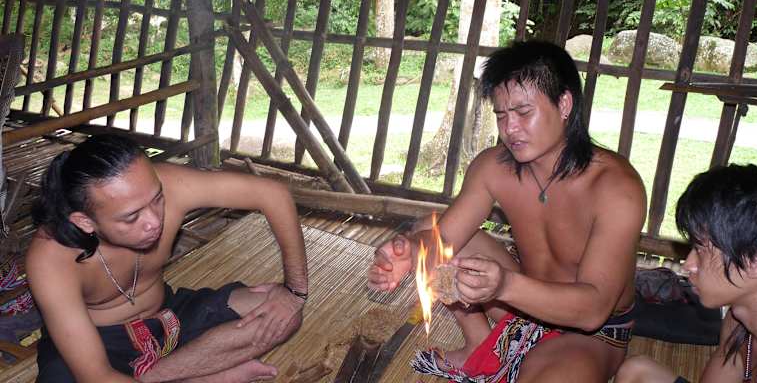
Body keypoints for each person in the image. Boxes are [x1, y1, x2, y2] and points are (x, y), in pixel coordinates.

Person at [368, 40, 647, 382]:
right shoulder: (493, 167)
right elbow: (444, 240)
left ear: (564, 104)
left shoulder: (617, 189)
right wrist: (410, 251)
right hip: (522, 305)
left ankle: (516, 353)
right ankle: (479, 343)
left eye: (523, 113)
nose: (509, 128)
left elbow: (592, 310)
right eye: (501, 115)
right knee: (431, 229)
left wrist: (504, 286)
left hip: (590, 333)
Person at [26, 134, 308, 382]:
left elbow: (273, 193)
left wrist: (295, 292)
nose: (154, 221)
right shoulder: (50, 259)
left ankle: (157, 375)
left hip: (170, 316)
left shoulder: (171, 183)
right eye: (132, 217)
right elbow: (96, 376)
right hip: (98, 343)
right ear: (85, 222)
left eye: (157, 199)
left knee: (282, 315)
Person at [616, 164, 757, 383]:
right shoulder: (739, 319)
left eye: (700, 250)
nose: (688, 265)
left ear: (755, 261)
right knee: (637, 371)